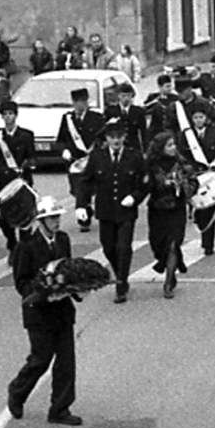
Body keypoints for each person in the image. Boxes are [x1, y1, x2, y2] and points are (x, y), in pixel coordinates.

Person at [6, 196, 84, 426]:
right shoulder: (26, 246)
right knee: (40, 359)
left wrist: (74, 287)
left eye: (57, 217)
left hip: (62, 310)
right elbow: (21, 282)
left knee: (66, 361)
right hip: (39, 313)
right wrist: (42, 291)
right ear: (41, 221)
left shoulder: (63, 239)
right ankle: (17, 391)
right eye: (51, 218)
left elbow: (67, 268)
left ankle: (60, 408)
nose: (56, 222)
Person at [76, 119, 146, 303]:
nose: (116, 140)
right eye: (112, 137)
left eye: (119, 136)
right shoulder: (97, 156)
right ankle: (120, 272)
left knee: (123, 247)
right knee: (108, 247)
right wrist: (81, 204)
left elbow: (144, 183)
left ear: (124, 137)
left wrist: (135, 197)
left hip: (126, 211)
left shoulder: (134, 156)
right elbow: (85, 182)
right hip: (106, 210)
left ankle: (121, 283)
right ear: (106, 138)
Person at [144, 131, 197, 299]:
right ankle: (169, 266)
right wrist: (159, 183)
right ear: (160, 148)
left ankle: (168, 281)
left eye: (174, 144)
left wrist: (183, 185)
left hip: (176, 208)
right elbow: (144, 185)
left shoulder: (181, 163)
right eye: (169, 145)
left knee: (173, 244)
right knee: (158, 245)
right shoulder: (151, 165)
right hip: (157, 209)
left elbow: (194, 182)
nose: (173, 148)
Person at [178, 103, 215, 255]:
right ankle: (200, 223)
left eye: (201, 117)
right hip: (194, 175)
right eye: (195, 118)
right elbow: (182, 155)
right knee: (199, 210)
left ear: (206, 118)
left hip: (212, 174)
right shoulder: (186, 135)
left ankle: (208, 244)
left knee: (210, 207)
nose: (198, 120)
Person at [0, 100, 36, 264]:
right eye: (5, 114)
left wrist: (28, 164)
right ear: (2, 117)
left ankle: (23, 252)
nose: (8, 117)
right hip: (5, 183)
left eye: (11, 114)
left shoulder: (26, 135)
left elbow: (32, 156)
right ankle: (12, 245)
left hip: (22, 182)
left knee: (25, 219)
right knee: (4, 220)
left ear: (16, 115)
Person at [57, 87, 106, 232]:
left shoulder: (96, 118)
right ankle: (86, 208)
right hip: (75, 161)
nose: (80, 104)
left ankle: (83, 217)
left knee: (87, 188)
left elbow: (103, 139)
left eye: (83, 101)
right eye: (77, 101)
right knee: (78, 189)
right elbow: (61, 140)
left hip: (92, 160)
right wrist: (64, 150)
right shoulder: (67, 119)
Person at [104, 83, 148, 155]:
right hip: (117, 146)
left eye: (128, 96)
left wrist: (145, 151)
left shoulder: (138, 111)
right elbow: (106, 130)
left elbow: (143, 132)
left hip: (133, 146)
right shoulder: (110, 111)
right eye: (123, 96)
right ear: (118, 96)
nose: (126, 99)